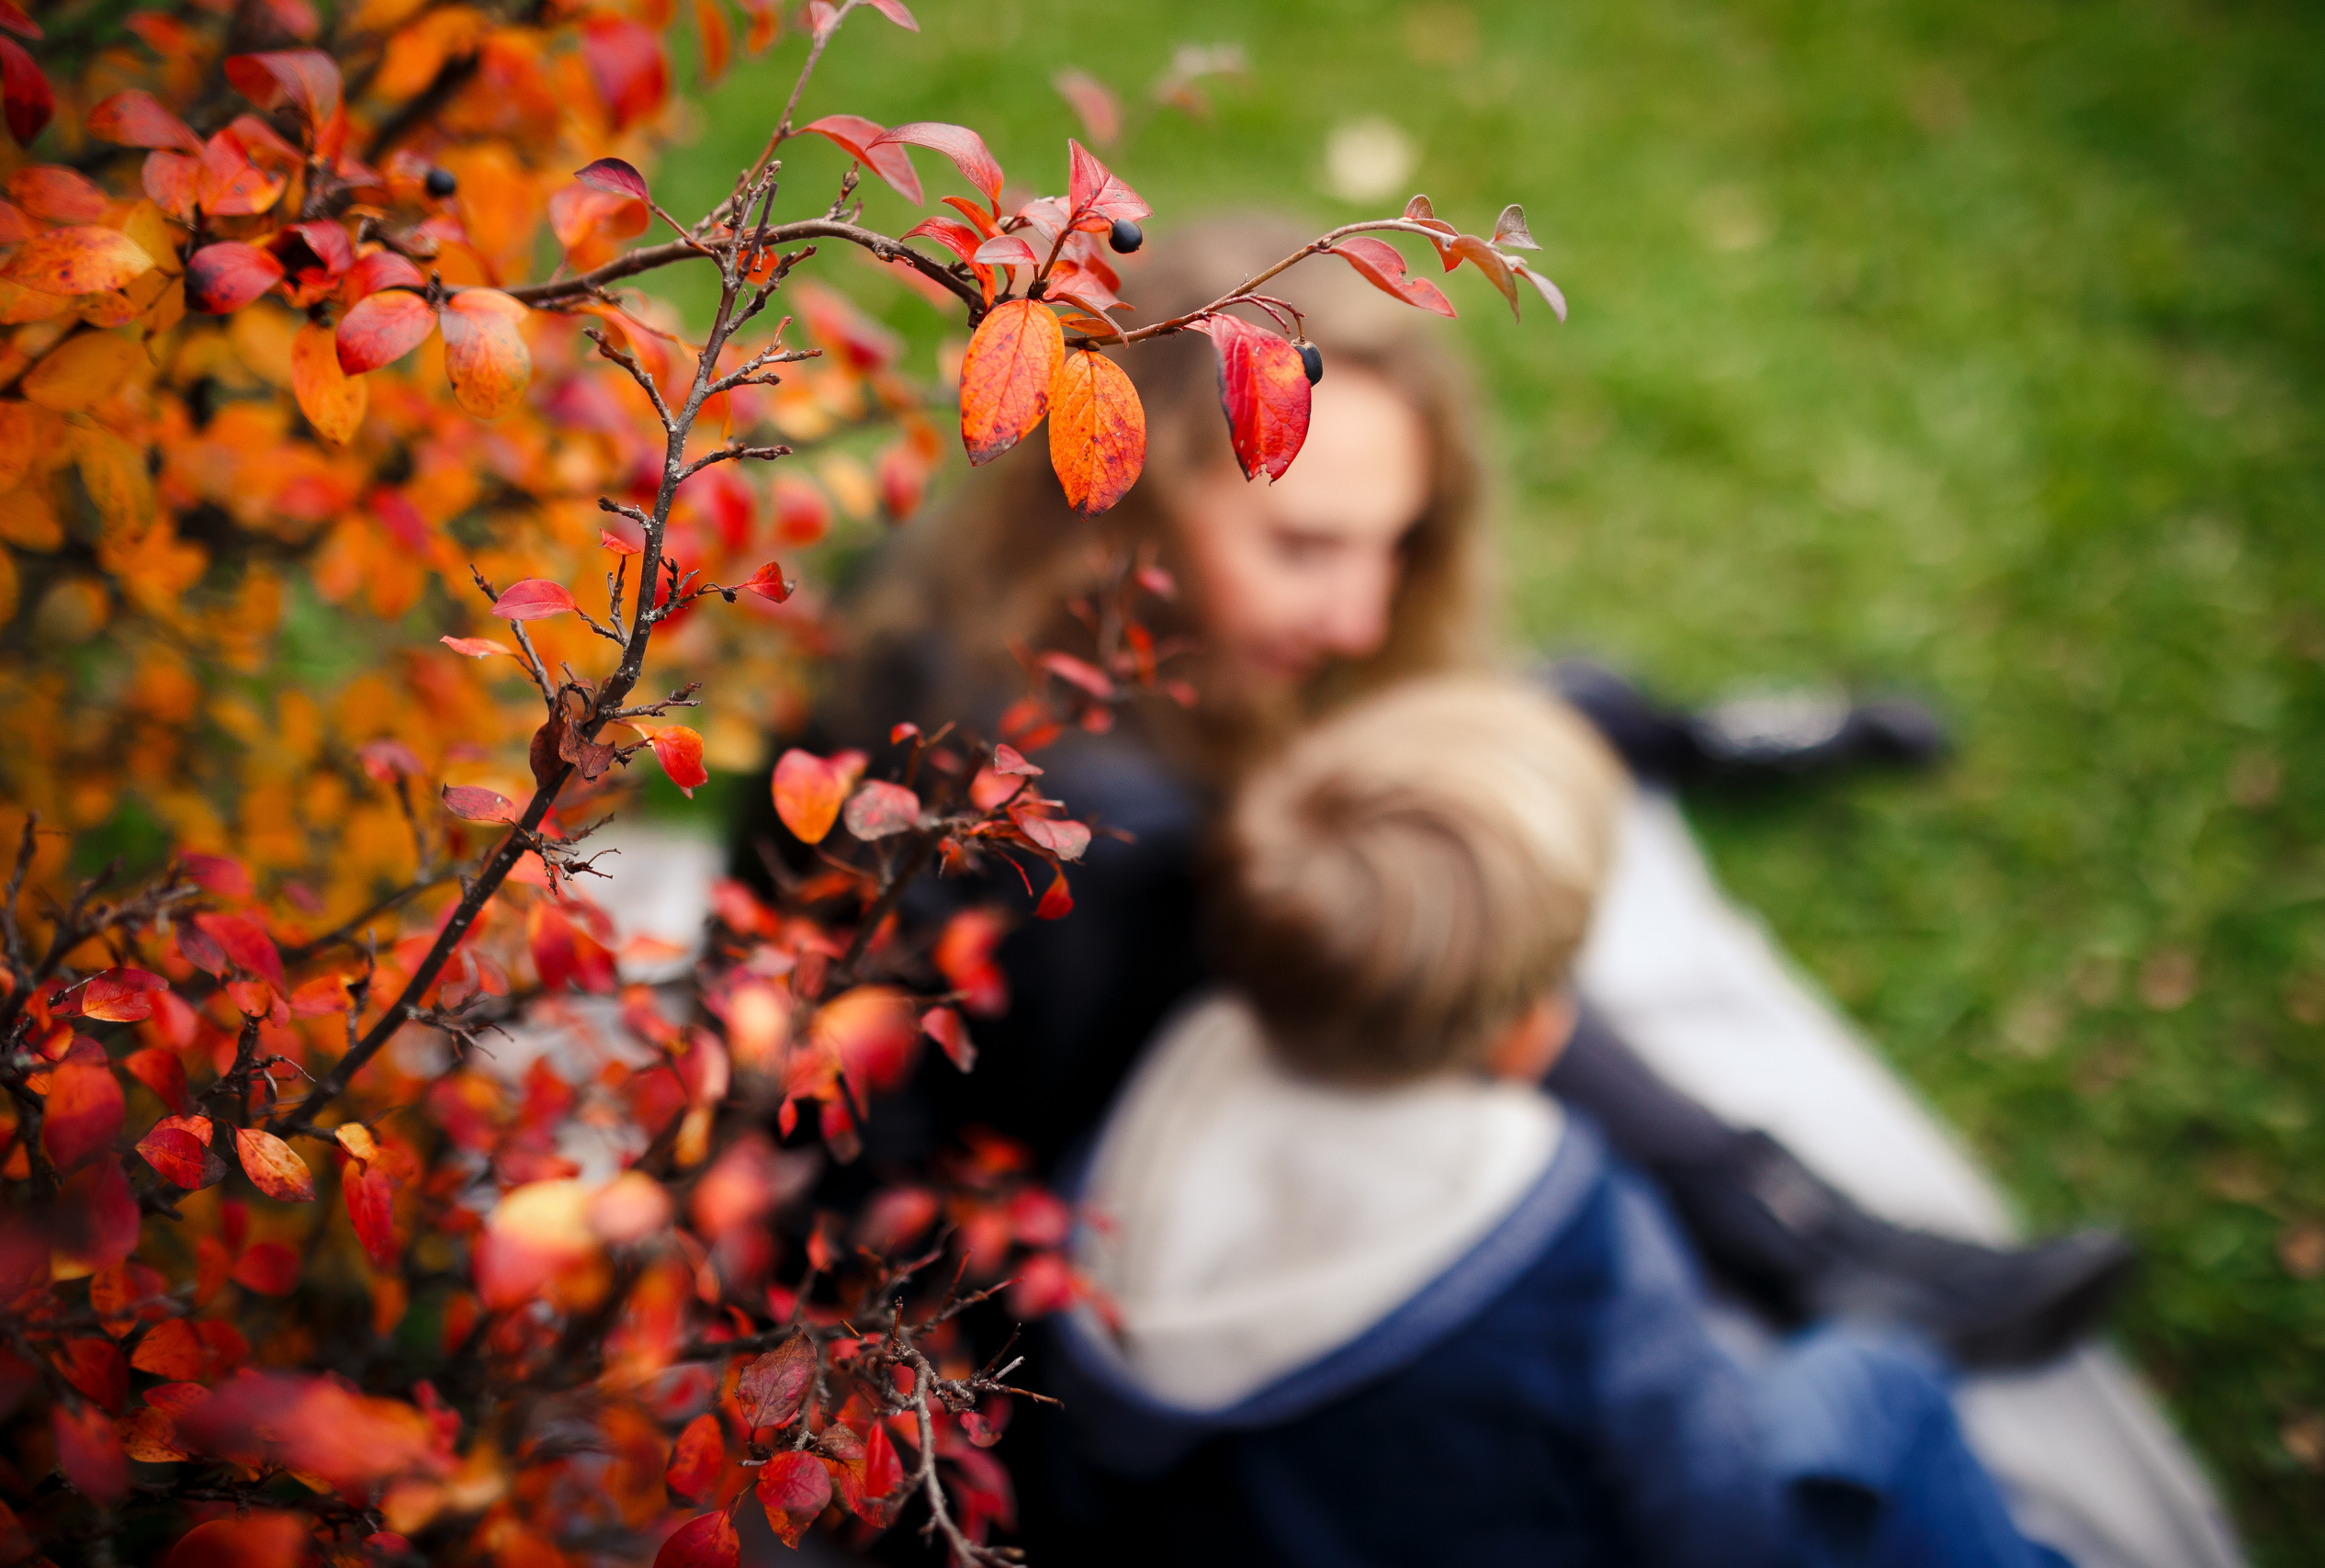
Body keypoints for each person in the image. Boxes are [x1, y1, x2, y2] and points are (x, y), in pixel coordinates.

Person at [746, 216, 2129, 1364]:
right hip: (1011, 1192)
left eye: (1399, 545)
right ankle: (1801, 1230)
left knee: (1530, 705)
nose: (1361, 615)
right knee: (1447, 903)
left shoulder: (1002, 577)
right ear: (1137, 498)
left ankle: (1693, 737)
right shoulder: (1102, 830)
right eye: (1305, 546)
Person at [1041, 672, 2070, 1567]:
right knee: (1881, 1377)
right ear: (1532, 1028)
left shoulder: (1154, 1116)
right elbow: (1722, 1533)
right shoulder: (1570, 1236)